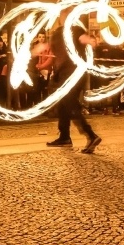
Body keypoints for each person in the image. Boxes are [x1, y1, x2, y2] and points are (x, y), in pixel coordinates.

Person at [45, 11, 101, 153]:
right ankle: (64, 137)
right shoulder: (57, 33)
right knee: (63, 106)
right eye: (63, 14)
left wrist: (90, 40)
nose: (64, 17)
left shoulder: (76, 30)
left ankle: (91, 135)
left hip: (74, 73)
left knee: (70, 104)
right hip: (61, 74)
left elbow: (83, 39)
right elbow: (51, 49)